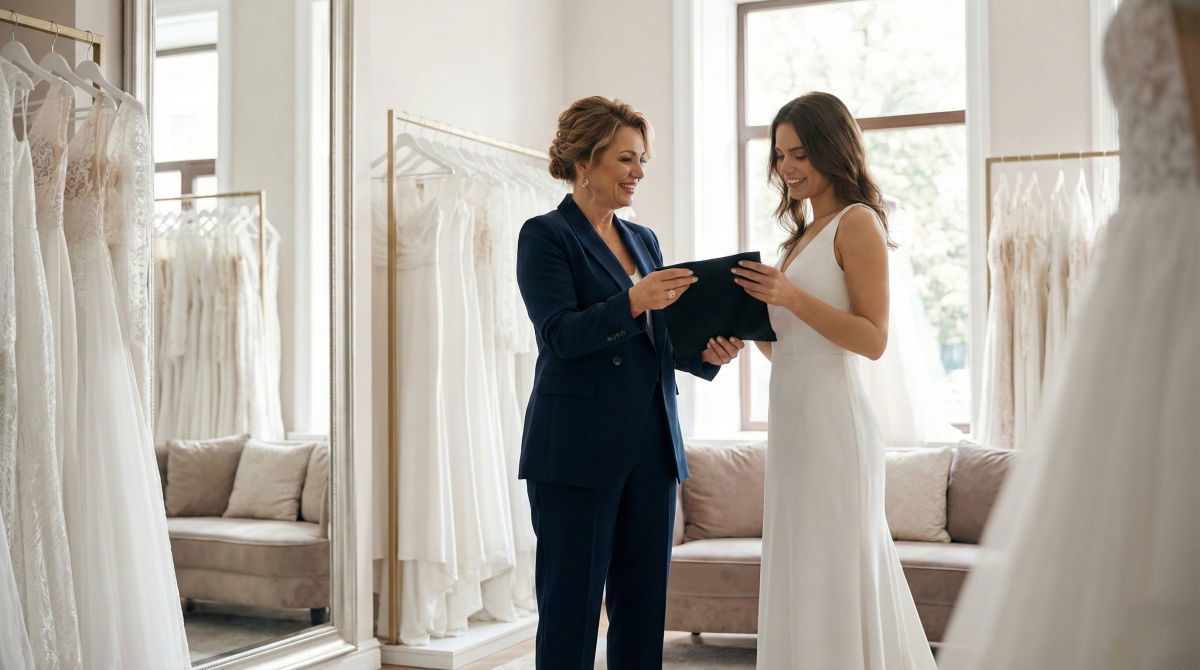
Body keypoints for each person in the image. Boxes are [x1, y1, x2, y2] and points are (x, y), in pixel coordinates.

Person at [516, 95, 744, 669]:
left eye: (642, 160)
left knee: (643, 613)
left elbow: (657, 341)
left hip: (652, 449)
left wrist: (707, 353)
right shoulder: (544, 235)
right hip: (575, 452)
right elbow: (559, 336)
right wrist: (633, 300)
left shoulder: (644, 240)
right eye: (626, 159)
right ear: (585, 162)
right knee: (570, 612)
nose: (639, 173)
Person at [732, 91, 936, 669]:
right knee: (800, 566)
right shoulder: (800, 237)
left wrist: (789, 296)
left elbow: (872, 339)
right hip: (793, 424)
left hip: (835, 428)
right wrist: (745, 329)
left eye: (800, 153)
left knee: (835, 567)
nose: (788, 167)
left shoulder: (858, 222)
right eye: (779, 156)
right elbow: (794, 348)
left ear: (832, 150)